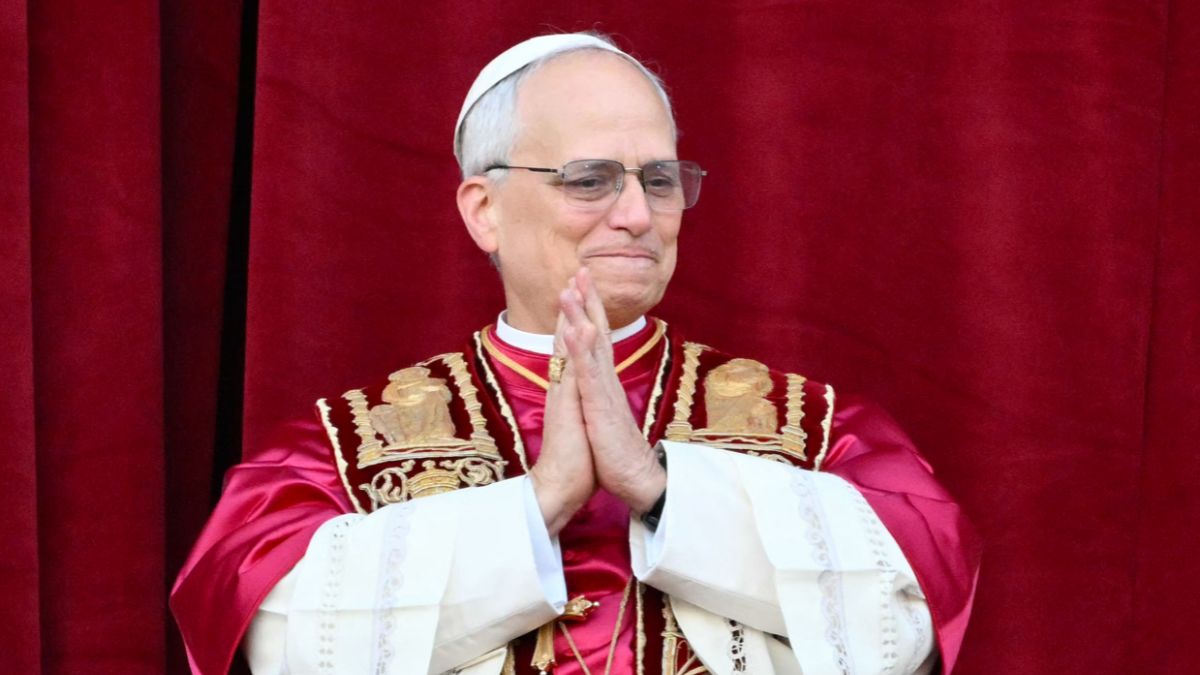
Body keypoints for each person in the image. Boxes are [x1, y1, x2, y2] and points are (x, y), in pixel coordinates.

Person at [172, 32, 980, 675]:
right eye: (590, 179)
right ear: (484, 210)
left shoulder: (817, 428)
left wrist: (660, 489)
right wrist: (542, 501)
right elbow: (271, 634)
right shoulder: (344, 447)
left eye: (659, 179)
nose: (636, 213)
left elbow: (910, 608)